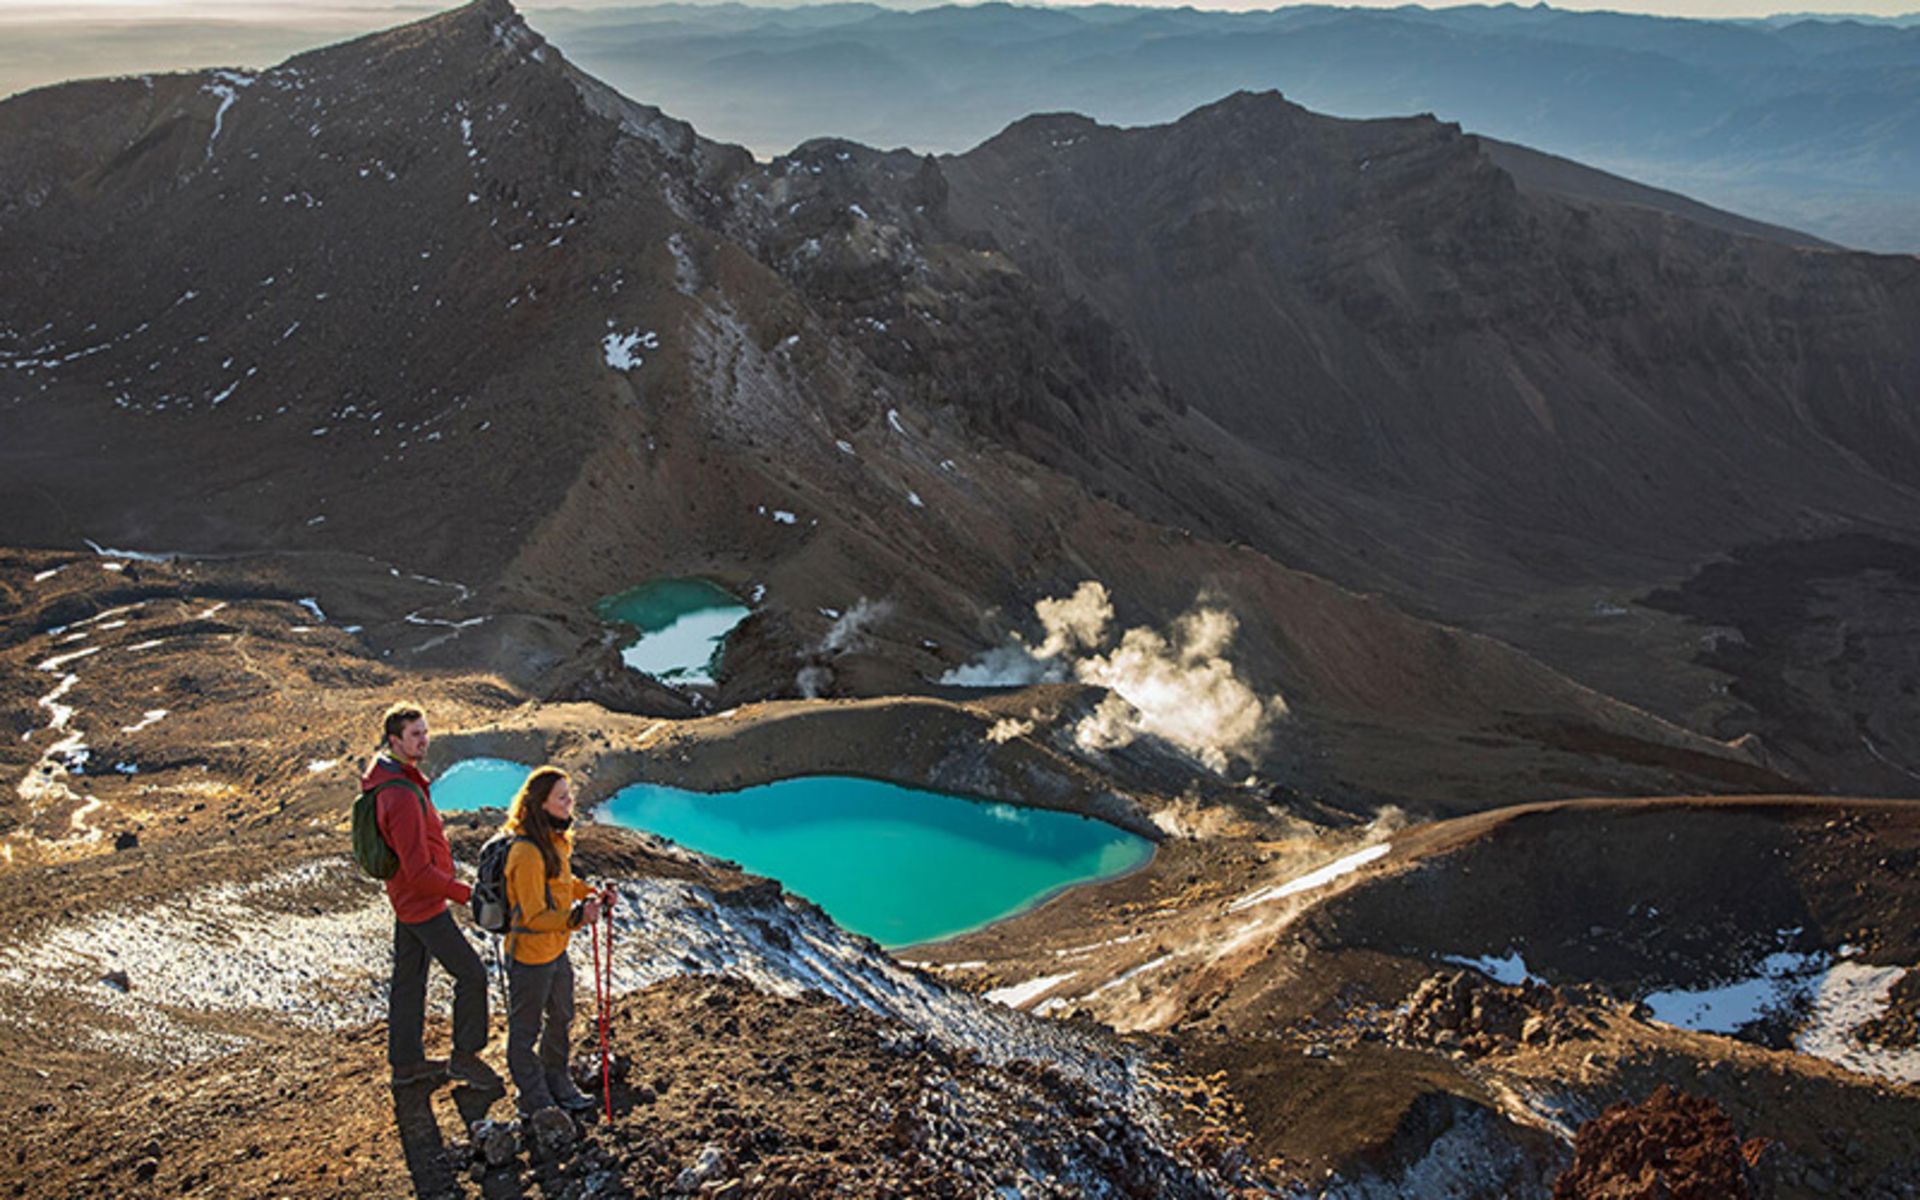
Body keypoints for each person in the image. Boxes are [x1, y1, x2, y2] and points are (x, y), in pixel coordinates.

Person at [365, 702, 503, 1091]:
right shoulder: (402, 796)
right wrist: (468, 894)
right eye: (415, 735)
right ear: (395, 740)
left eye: (425, 732)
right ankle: (464, 1058)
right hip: (422, 903)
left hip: (407, 900)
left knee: (409, 980)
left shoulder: (393, 778)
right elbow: (418, 870)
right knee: (472, 976)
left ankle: (405, 1064)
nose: (424, 741)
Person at [500, 766, 611, 1117]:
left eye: (569, 795)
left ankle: (557, 1080)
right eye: (562, 798)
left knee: (561, 1016)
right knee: (525, 1030)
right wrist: (578, 918)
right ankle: (534, 1097)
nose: (570, 803)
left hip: (556, 951)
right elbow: (533, 916)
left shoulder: (554, 841)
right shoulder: (527, 853)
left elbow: (564, 885)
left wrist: (592, 892)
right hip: (530, 956)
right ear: (541, 805)